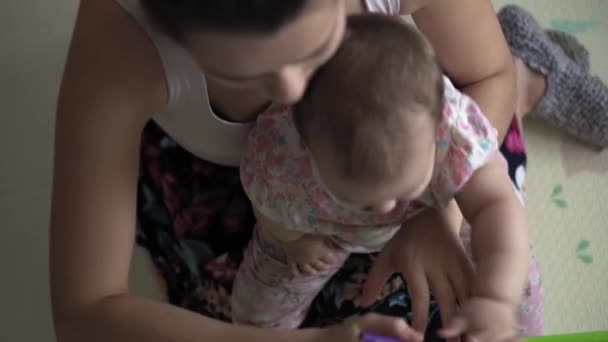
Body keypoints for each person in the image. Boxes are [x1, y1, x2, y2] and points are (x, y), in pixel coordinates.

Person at [49, 0, 603, 340]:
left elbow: (485, 76)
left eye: (316, 46)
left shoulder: (440, 127)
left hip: (408, 151)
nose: (293, 96)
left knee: (453, 294)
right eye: (246, 73)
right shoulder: (119, 47)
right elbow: (87, 310)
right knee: (223, 304)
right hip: (275, 194)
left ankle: (531, 71)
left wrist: (435, 207)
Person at [232, 15, 532, 342]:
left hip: (436, 207)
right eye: (364, 199)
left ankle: (527, 77)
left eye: (405, 189)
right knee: (253, 317)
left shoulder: (454, 130)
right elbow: (265, 201)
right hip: (322, 229)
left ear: (437, 134)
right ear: (309, 151)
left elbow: (497, 205)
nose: (387, 208)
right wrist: (294, 241)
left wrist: (496, 298)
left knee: (521, 288)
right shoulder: (280, 159)